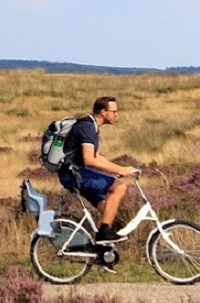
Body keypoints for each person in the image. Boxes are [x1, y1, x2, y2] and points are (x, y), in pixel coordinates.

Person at [58, 96, 140, 244]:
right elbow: (90, 160)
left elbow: (97, 156)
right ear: (103, 112)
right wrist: (120, 169)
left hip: (75, 173)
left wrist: (117, 169)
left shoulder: (92, 127)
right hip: (73, 174)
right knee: (119, 187)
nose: (116, 115)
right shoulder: (87, 128)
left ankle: (99, 250)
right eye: (113, 111)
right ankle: (104, 233)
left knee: (107, 208)